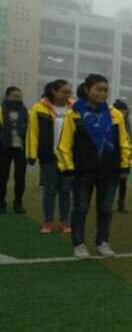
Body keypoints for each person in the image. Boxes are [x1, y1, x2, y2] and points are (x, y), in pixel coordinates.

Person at [57, 74, 131, 259]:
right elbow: (64, 143)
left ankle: (102, 242)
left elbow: (123, 141)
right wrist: (68, 167)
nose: (102, 93)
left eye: (105, 90)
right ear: (87, 89)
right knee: (80, 208)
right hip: (83, 170)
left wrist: (124, 165)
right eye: (98, 89)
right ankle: (79, 244)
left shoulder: (115, 114)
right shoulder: (74, 113)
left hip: (109, 170)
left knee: (106, 208)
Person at [27, 80, 73, 233]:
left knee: (66, 191)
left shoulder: (74, 108)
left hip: (68, 158)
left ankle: (65, 222)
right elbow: (33, 132)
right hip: (48, 157)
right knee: (49, 190)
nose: (67, 95)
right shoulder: (39, 108)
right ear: (54, 91)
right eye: (64, 92)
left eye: (69, 92)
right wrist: (32, 153)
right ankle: (48, 222)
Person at [0, 86, 28, 214]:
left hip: (20, 149)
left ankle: (18, 203)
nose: (18, 99)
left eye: (20, 96)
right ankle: (1, 203)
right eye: (15, 96)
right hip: (3, 148)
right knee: (2, 177)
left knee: (20, 178)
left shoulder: (25, 111)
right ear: (7, 96)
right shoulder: (1, 110)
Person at [112, 99, 132, 214]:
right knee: (112, 182)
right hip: (113, 155)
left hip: (125, 156)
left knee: (123, 182)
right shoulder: (112, 121)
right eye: (122, 110)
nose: (124, 113)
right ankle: (108, 204)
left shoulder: (126, 122)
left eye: (125, 111)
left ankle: (121, 204)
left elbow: (130, 138)